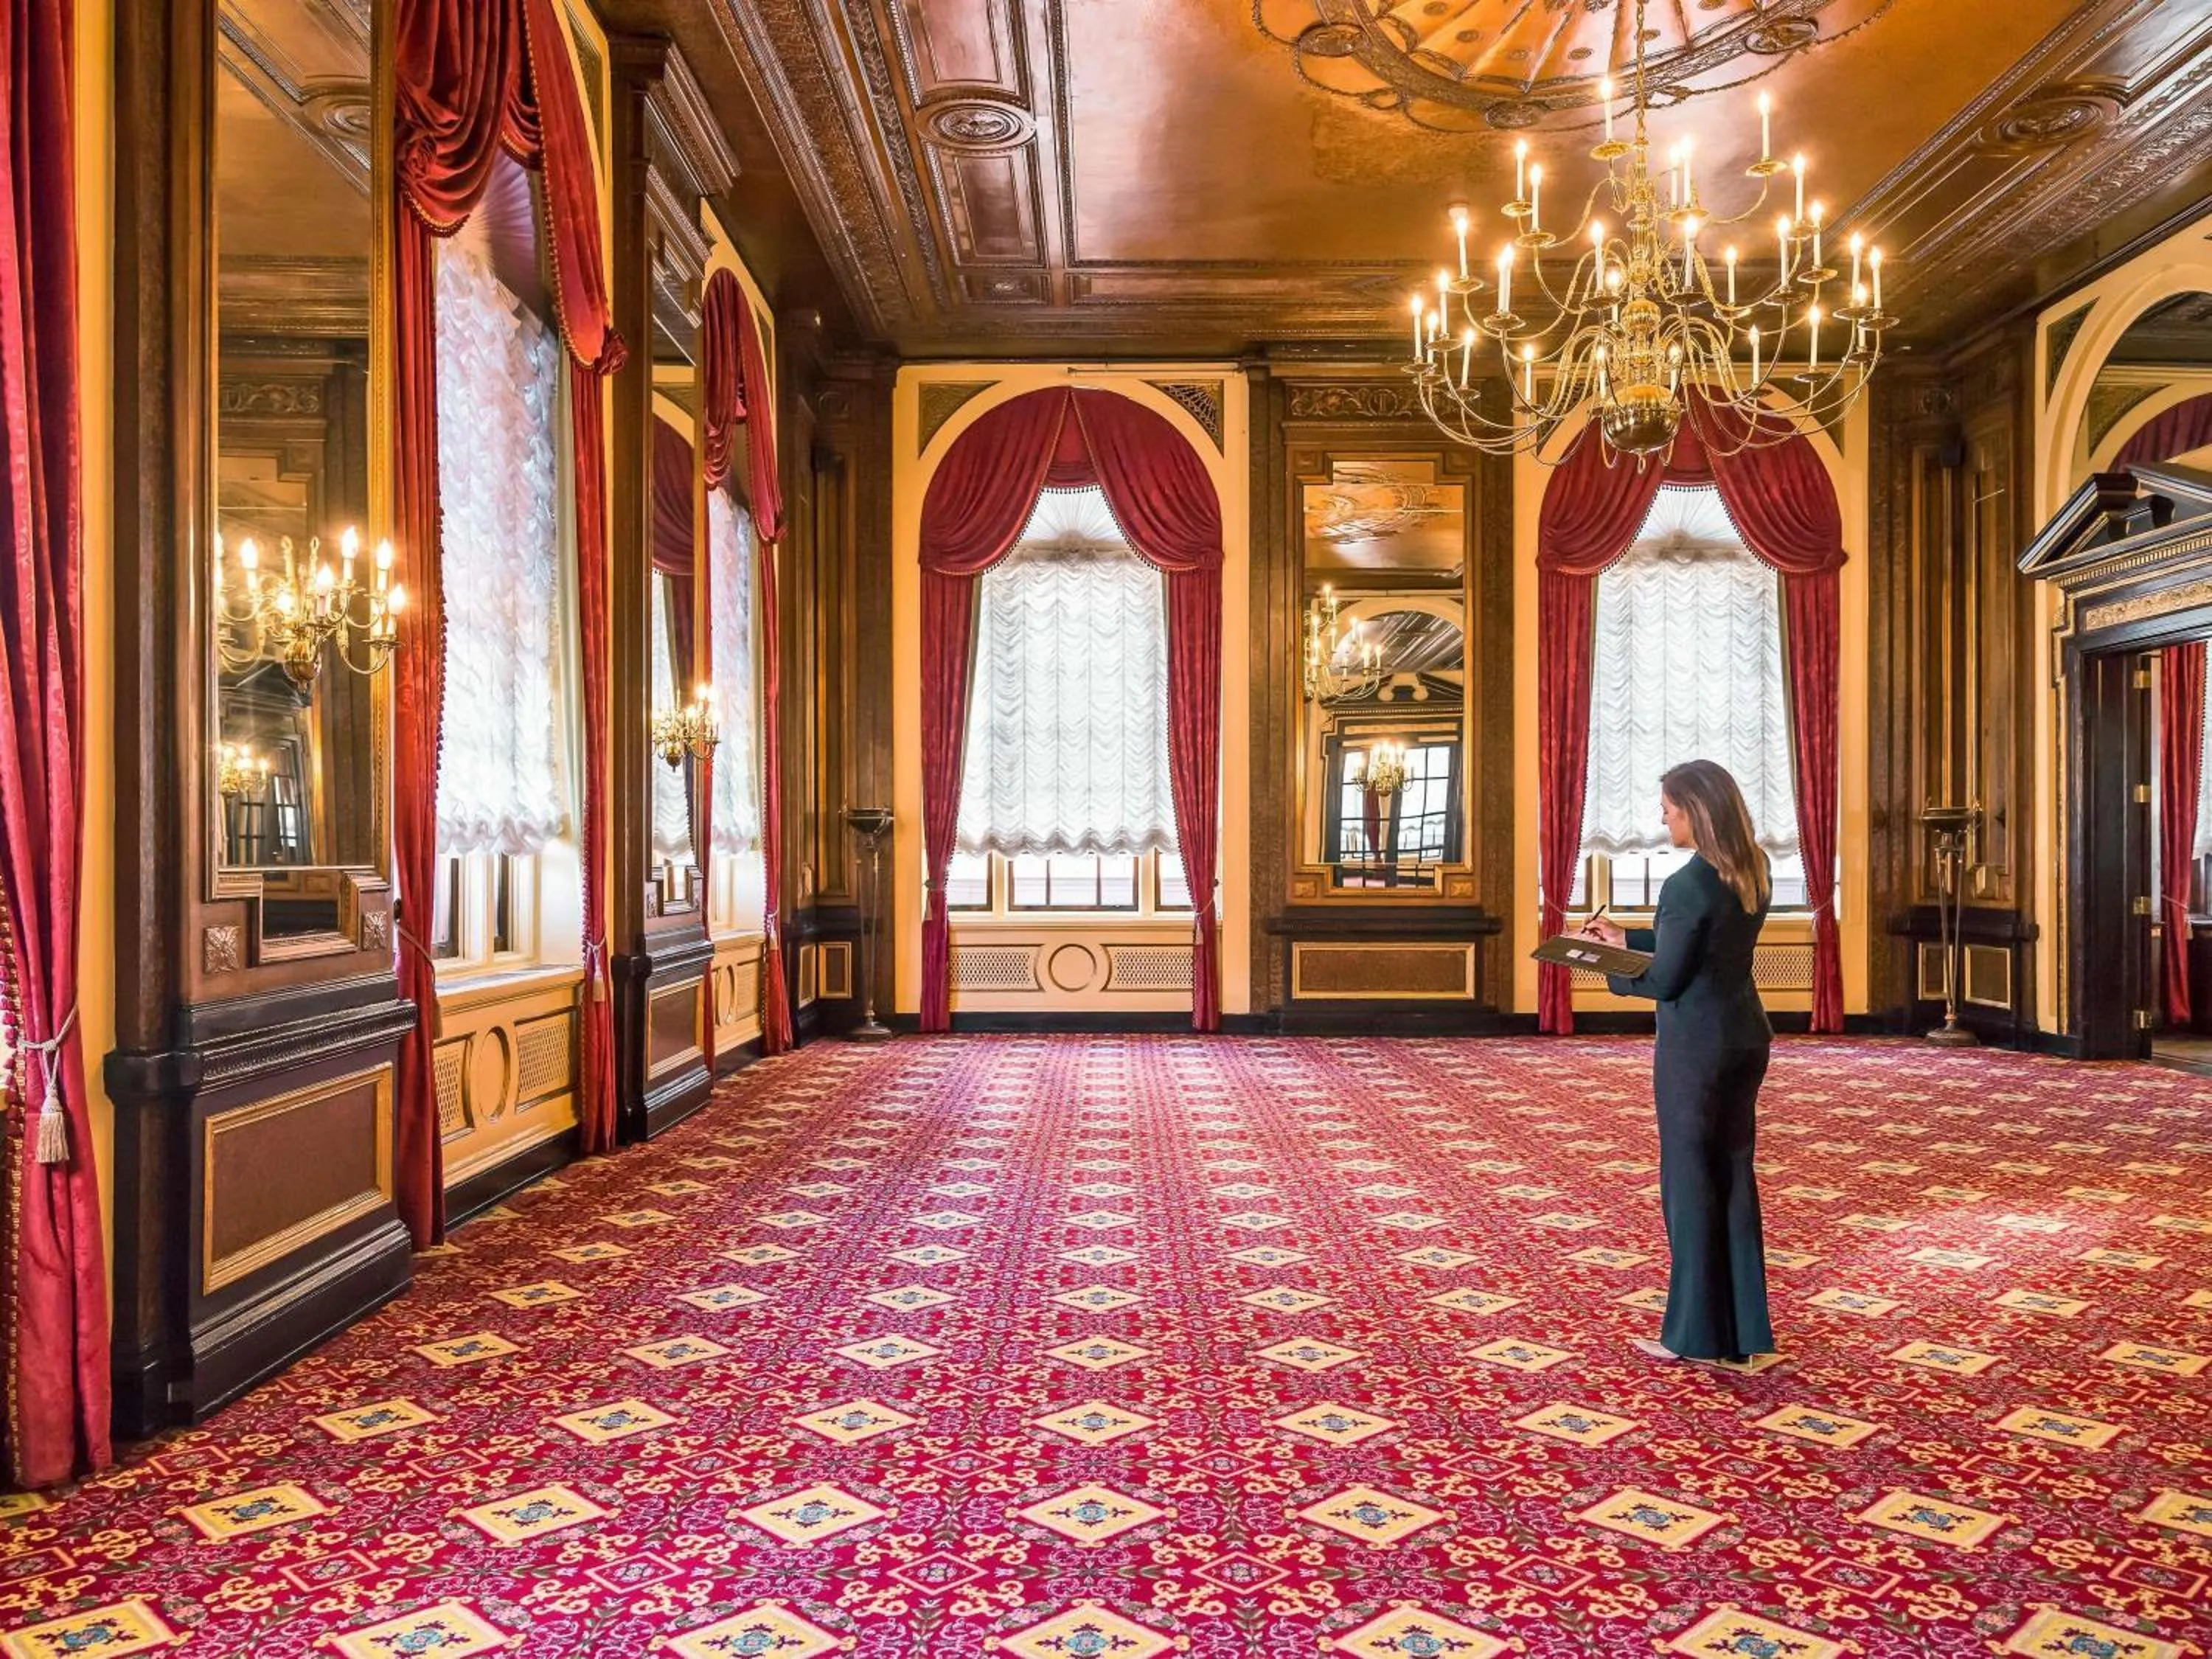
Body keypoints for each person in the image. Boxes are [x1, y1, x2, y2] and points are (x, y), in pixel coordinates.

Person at [1580, 759, 1775, 1365]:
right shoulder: (1751, 867)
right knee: (1733, 1178)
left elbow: (1666, 978)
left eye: (1666, 809)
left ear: (1694, 811)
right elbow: (1695, 940)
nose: (1661, 819)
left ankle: (1693, 1337)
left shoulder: (1687, 883)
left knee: (1689, 1185)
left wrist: (1598, 963)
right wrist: (1624, 937)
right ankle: (1743, 1333)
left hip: (1697, 1048)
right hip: (1745, 1037)